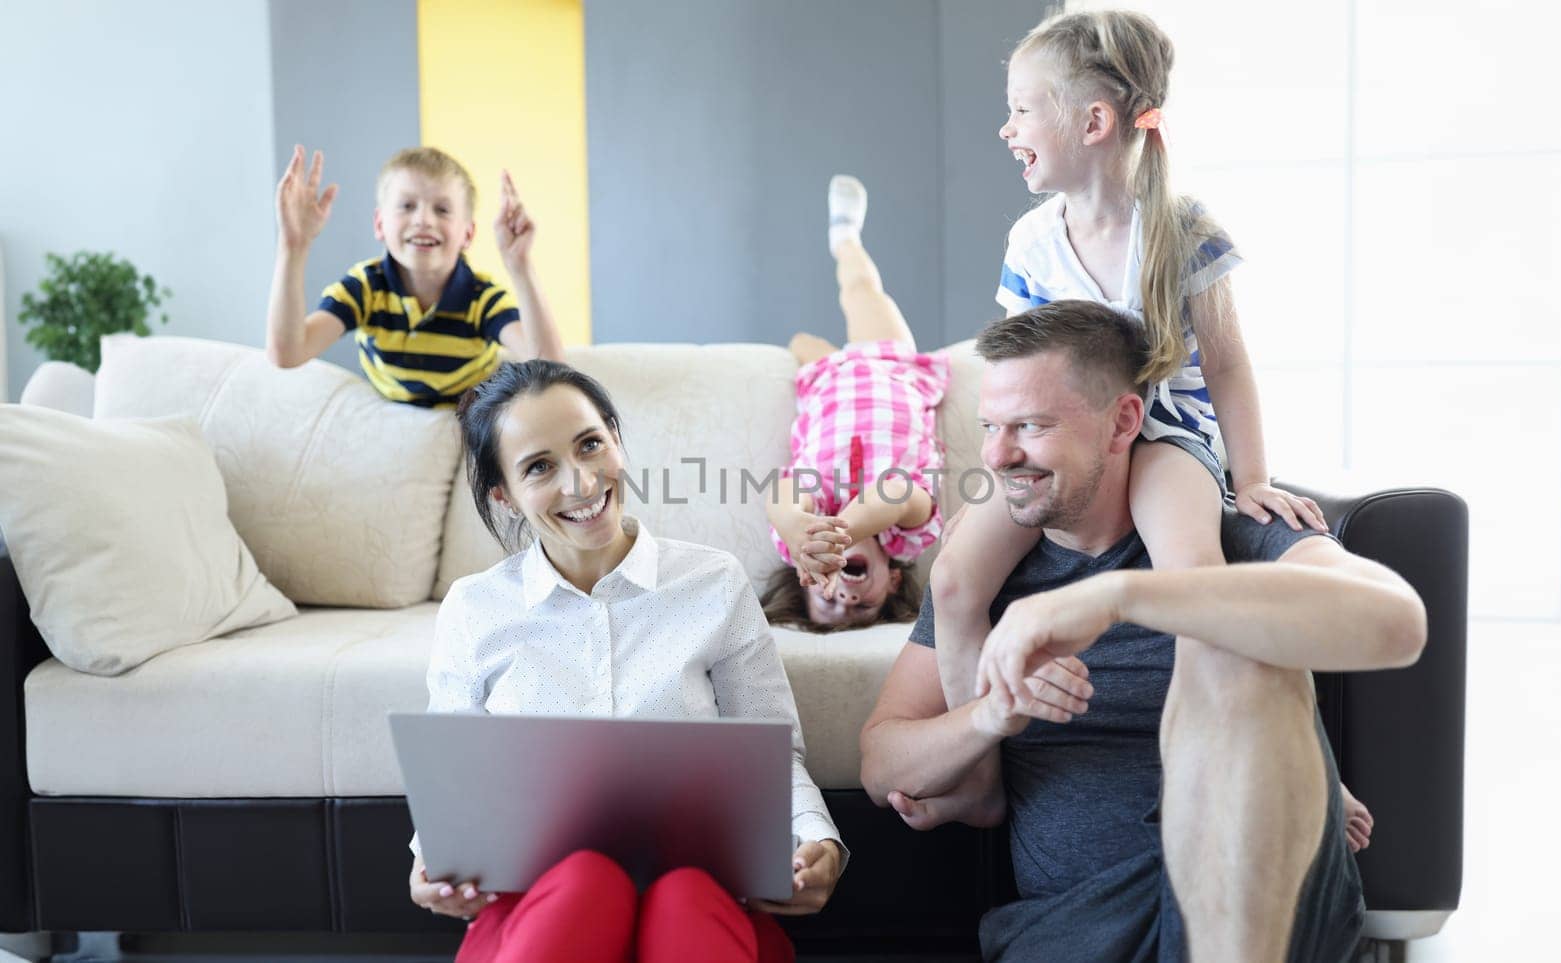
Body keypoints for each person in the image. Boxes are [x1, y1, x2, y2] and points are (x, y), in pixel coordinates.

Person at [859, 301, 1426, 962]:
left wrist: (1120, 597)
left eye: (1032, 425)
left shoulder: (1228, 535)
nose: (998, 454)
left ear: (1122, 422)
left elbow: (1397, 620)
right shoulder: (992, 578)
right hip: (1084, 925)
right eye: (990, 426)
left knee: (1231, 638)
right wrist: (991, 714)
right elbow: (880, 763)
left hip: (1270, 893)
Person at [931, 7, 1373, 851]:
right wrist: (983, 487)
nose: (1005, 127)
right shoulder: (1032, 241)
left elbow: (1231, 365)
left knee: (1200, 585)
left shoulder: (1180, 228)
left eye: (1023, 109)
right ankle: (978, 777)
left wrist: (1248, 480)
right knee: (953, 581)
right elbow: (1016, 381)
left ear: (1092, 123)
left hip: (1167, 436)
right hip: (1072, 445)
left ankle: (1300, 765)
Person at [407, 360, 845, 962]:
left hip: (699, 900)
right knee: (586, 882)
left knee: (684, 895)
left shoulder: (713, 581)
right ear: (502, 495)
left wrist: (821, 840)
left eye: (591, 445)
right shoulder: (475, 608)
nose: (582, 483)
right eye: (540, 467)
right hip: (541, 912)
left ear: (615, 438)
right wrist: (428, 861)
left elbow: (774, 750)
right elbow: (452, 782)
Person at [759, 175, 949, 631]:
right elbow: (894, 491)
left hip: (828, 381)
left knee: (800, 342)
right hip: (888, 366)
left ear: (805, 579)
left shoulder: (809, 520)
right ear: (894, 582)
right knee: (860, 290)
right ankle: (845, 237)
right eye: (861, 607)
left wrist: (796, 528)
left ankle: (829, 348)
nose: (844, 594)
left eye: (828, 601)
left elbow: (786, 491)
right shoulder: (912, 534)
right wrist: (838, 535)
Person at [265, 145, 563, 406]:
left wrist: (519, 264)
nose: (423, 219)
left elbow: (551, 367)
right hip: (393, 420)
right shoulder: (365, 288)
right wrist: (294, 246)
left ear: (468, 234)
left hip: (466, 420)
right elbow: (288, 353)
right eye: (407, 206)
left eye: (442, 209)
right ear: (380, 224)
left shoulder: (481, 298)